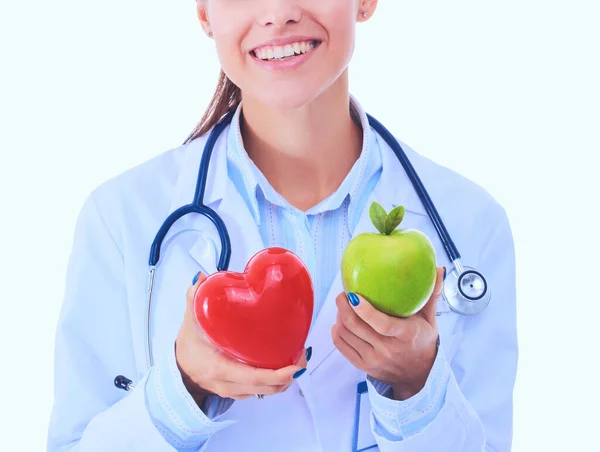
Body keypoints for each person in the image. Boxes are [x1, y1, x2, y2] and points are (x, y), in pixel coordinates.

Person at [47, 1, 518, 451]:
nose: (278, 13)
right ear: (205, 12)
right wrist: (180, 387)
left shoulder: (471, 223)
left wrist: (418, 385)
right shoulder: (121, 217)